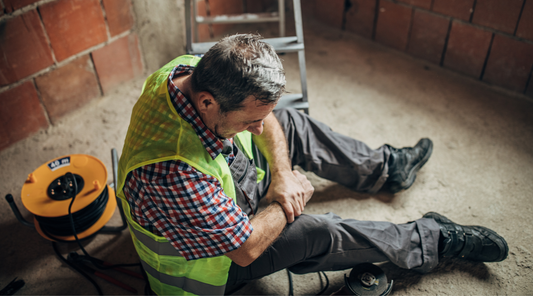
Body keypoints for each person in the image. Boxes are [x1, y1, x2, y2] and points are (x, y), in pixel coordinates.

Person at [116, 34, 508, 295]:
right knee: (317, 229)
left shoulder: (190, 71)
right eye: (249, 119)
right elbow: (246, 248)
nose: (257, 125)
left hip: (218, 193)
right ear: (206, 102)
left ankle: (386, 169)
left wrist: (283, 175)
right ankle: (434, 238)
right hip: (208, 267)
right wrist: (287, 202)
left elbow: (267, 118)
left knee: (289, 124)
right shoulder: (172, 172)